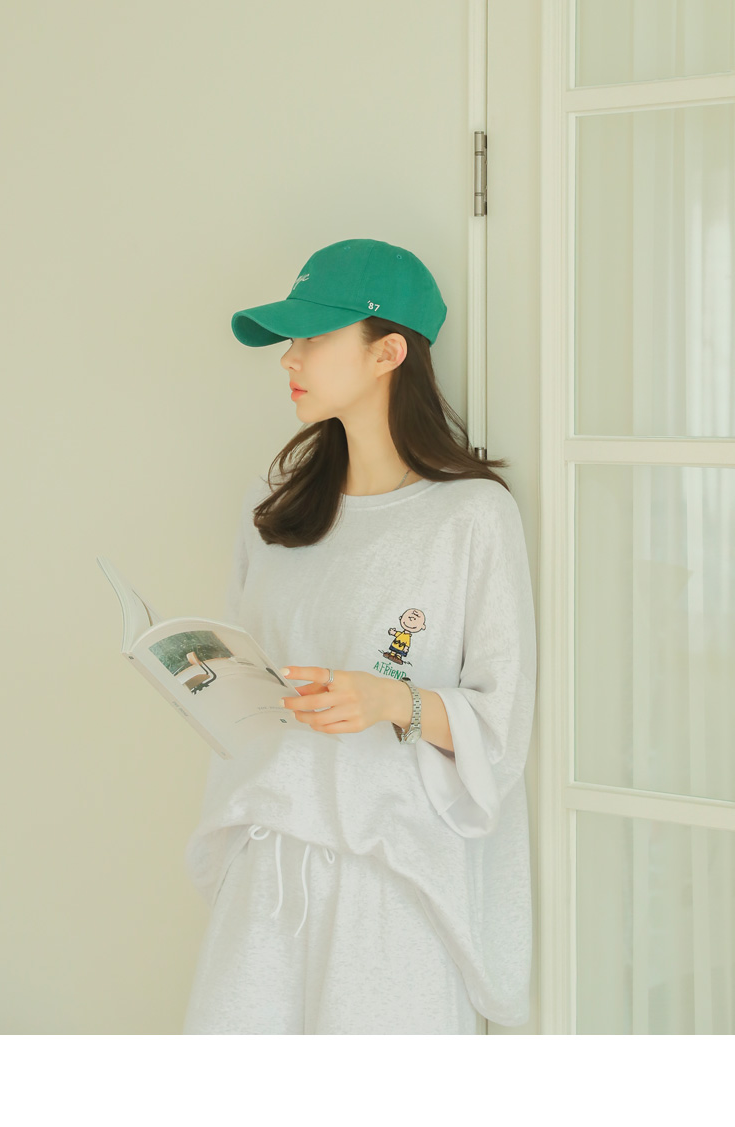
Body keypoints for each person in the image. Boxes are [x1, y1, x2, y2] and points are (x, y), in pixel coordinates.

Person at [182, 237, 537, 1035]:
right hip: (267, 872)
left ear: (389, 352)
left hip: (392, 885)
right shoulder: (277, 504)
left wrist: (389, 700)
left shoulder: (471, 517)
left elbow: (503, 724)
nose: (289, 358)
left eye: (312, 336)